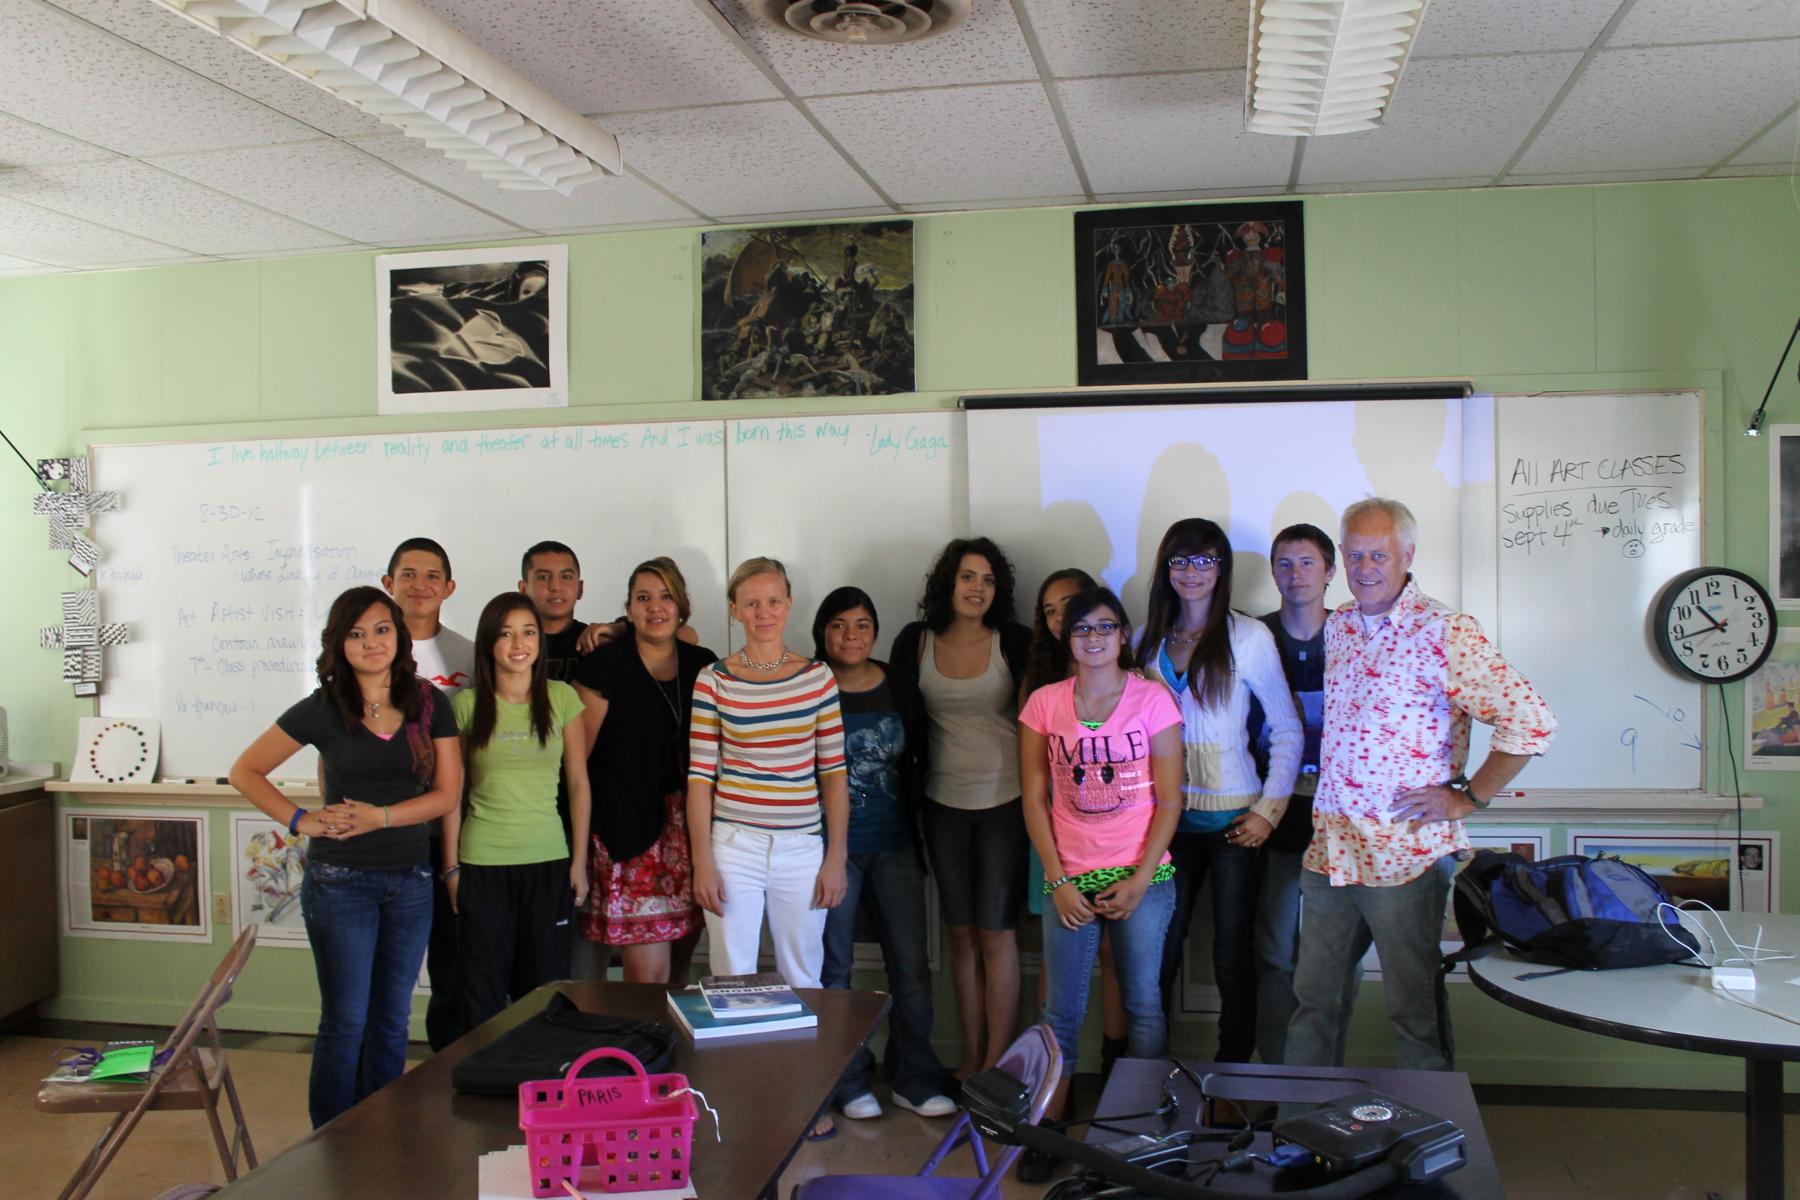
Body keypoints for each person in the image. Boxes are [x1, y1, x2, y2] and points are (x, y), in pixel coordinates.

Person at [1286, 498, 1556, 1072]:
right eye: (1353, 554)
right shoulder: (1338, 626)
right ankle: (1300, 1135)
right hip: (1331, 849)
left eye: (1378, 554)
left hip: (1403, 854)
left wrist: (1469, 796)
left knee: (1414, 1011)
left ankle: (1431, 1145)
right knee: (1314, 1003)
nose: (1363, 567)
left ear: (1407, 555)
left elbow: (1529, 719)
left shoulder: (1446, 630)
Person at [227, 586, 461, 1127]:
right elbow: (245, 770)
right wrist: (300, 820)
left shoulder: (429, 702)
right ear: (340, 644)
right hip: (340, 882)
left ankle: (378, 1132)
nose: (371, 642)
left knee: (392, 1020)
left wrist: (379, 816)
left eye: (381, 629)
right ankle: (331, 1144)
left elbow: (447, 795)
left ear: (399, 635)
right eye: (356, 634)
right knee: (346, 1020)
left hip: (410, 881)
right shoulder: (324, 707)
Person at [1016, 586, 1182, 1181]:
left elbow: (1170, 799)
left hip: (1144, 876)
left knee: (1142, 1005)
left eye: (1105, 627)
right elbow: (1034, 799)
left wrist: (1140, 881)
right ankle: (1048, 1131)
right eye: (1082, 628)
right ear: (1068, 636)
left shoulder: (1153, 701)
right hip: (1068, 877)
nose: (1093, 638)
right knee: (1061, 1013)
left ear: (1121, 634)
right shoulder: (1044, 704)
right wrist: (1057, 880)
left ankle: (1142, 1137)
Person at [1138, 517, 1300, 1063]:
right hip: (1167, 827)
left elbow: (1286, 727)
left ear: (1222, 569)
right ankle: (1147, 1072)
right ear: (1166, 568)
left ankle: (1231, 1078)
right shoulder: (1145, 642)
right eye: (1181, 560)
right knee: (1157, 953)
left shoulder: (1249, 637)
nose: (1193, 572)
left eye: (1206, 560)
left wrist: (1269, 811)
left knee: (1233, 956)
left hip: (1236, 824)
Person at [889, 537, 1033, 1083]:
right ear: (948, 582)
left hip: (1007, 803)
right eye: (968, 577)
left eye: (989, 579)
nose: (978, 588)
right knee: (960, 935)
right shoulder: (915, 641)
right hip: (940, 804)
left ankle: (1000, 1065)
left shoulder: (1014, 641)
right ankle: (971, 1059)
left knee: (997, 934)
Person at [812, 586, 955, 1124]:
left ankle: (914, 1078)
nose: (851, 636)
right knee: (836, 971)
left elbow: (919, 755)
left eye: (862, 625)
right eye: (839, 625)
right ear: (822, 632)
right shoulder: (809, 684)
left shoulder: (899, 682)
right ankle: (847, 1082)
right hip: (831, 852)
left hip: (895, 845)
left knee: (911, 967)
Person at [687, 557, 848, 986]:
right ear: (734, 608)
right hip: (734, 847)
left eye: (774, 601)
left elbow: (833, 772)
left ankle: (802, 1058)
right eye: (753, 603)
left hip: (801, 849)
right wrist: (702, 860)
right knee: (731, 976)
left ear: (789, 604)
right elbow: (700, 779)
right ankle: (735, 1057)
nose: (764, 613)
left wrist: (836, 858)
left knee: (804, 976)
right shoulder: (714, 680)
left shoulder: (817, 678)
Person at [441, 593, 590, 1035]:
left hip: (547, 860)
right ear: (489, 644)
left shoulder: (562, 698)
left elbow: (579, 784)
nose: (518, 643)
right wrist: (451, 868)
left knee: (543, 989)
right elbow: (453, 792)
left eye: (528, 632)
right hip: (483, 862)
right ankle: (481, 1087)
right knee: (481, 991)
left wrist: (578, 862)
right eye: (505, 634)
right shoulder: (466, 707)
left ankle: (537, 1086)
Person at [573, 557, 713, 985]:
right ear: (629, 608)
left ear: (681, 605)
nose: (656, 606)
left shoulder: (702, 663)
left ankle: (670, 1051)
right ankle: (643, 1050)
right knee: (646, 981)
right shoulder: (603, 665)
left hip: (694, 834)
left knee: (681, 969)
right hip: (630, 834)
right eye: (643, 598)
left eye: (666, 596)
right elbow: (578, 762)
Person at [1020, 568, 1130, 1078]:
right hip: (1053, 842)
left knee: (1114, 956)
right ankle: (1053, 1092)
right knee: (1058, 955)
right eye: (1051, 611)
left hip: (1121, 848)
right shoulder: (1041, 685)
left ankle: (1112, 1070)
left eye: (1072, 606)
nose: (1064, 618)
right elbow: (1035, 784)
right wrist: (1056, 874)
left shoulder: (1132, 687)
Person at [1248, 524, 1345, 1065]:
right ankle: (1276, 1076)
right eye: (1285, 563)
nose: (1296, 575)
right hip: (1275, 814)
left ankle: (1323, 1072)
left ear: (1330, 572)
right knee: (1274, 950)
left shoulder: (1356, 634)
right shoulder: (1254, 637)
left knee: (1331, 957)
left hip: (1341, 819)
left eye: (1308, 563)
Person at [381, 536, 473, 1051]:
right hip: (382, 831)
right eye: (408, 575)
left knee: (452, 966)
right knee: (385, 973)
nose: (420, 585)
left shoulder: (468, 654)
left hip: (449, 832)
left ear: (449, 587)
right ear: (388, 583)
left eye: (432, 576)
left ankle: (446, 1071)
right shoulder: (366, 648)